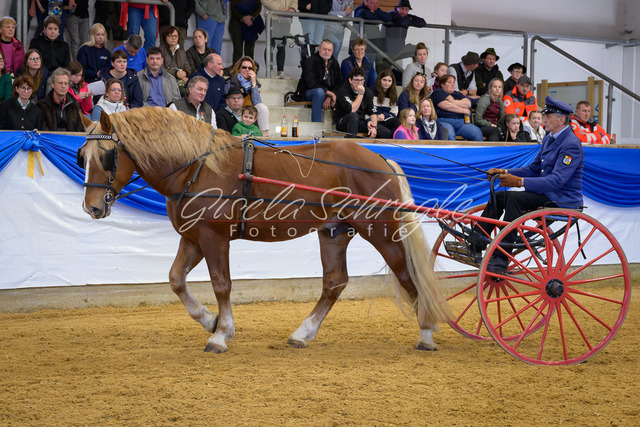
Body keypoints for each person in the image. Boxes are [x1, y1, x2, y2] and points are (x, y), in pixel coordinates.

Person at [471, 96, 584, 273]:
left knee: (515, 199)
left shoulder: (571, 144)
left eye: (548, 117)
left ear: (561, 120)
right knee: (499, 196)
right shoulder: (549, 139)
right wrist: (504, 172)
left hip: (562, 199)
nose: (544, 120)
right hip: (547, 194)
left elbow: (557, 181)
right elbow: (533, 169)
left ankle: (501, 258)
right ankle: (475, 244)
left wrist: (519, 182)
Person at [334, 67, 392, 138]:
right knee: (353, 116)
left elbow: (372, 112)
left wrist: (374, 127)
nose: (359, 83)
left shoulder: (367, 92)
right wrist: (360, 94)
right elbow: (352, 110)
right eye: (356, 80)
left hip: (360, 121)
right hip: (343, 121)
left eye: (361, 80)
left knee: (386, 132)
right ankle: (351, 144)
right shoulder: (343, 91)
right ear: (350, 80)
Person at [294, 39, 342, 123]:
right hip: (307, 92)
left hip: (325, 93)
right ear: (319, 49)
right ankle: (316, 125)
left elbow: (339, 83)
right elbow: (311, 83)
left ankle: (339, 124)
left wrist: (328, 96)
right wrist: (330, 94)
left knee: (342, 93)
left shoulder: (334, 63)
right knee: (319, 92)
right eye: (324, 49)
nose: (326, 52)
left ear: (332, 51)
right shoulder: (311, 61)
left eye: (329, 50)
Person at [430, 74, 483, 141]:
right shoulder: (438, 92)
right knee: (449, 135)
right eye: (449, 82)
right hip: (445, 122)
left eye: (453, 83)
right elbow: (447, 106)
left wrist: (452, 101)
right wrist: (464, 110)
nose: (452, 84)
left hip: (462, 124)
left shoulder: (456, 93)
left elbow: (468, 103)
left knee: (477, 133)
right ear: (442, 85)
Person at [228, 56, 269, 136]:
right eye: (244, 67)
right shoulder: (231, 80)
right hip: (236, 107)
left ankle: (264, 135)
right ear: (238, 69)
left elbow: (257, 102)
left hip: (249, 110)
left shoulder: (253, 82)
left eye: (250, 68)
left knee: (262, 108)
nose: (247, 70)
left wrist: (253, 82)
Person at [36, 67, 84, 131]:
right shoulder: (42, 106)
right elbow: (43, 130)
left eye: (66, 83)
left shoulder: (74, 105)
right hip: (51, 137)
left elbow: (80, 129)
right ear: (52, 84)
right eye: (60, 83)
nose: (63, 86)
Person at [263, 0, 296, 78]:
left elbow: (295, 1)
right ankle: (269, 71)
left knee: (282, 44)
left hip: (286, 18)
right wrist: (280, 9)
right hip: (272, 17)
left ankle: (280, 71)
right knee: (271, 44)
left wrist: (292, 8)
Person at [229, 0, 262, 66]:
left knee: (249, 49)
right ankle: (236, 69)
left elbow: (259, 7)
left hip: (252, 21)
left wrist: (251, 17)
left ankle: (250, 68)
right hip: (236, 21)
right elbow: (233, 7)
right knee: (238, 49)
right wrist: (242, 17)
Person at [372, 69, 400, 135]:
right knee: (386, 132)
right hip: (373, 120)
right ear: (379, 80)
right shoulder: (371, 92)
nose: (387, 83)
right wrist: (376, 117)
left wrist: (385, 115)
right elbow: (368, 109)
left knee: (396, 125)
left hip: (386, 119)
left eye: (389, 81)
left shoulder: (393, 95)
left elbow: (394, 113)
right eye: (384, 80)